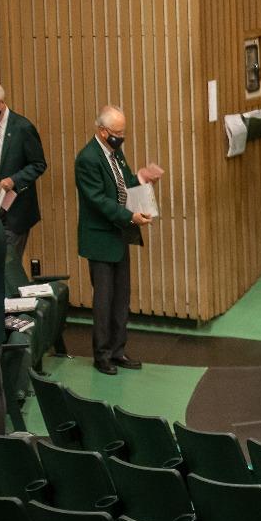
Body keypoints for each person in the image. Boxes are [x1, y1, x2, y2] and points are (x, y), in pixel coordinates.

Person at [74, 106, 158, 375]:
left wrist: (142, 178)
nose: (121, 137)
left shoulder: (115, 153)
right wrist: (131, 217)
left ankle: (118, 350)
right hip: (100, 239)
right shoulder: (87, 159)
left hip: (119, 235)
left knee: (122, 298)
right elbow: (98, 201)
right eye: (117, 133)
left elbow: (125, 184)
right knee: (104, 300)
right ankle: (102, 355)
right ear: (102, 131)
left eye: (123, 132)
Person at [0, 82, 47, 279]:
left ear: (0, 103)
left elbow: (39, 164)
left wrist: (14, 180)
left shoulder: (22, 127)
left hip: (14, 210)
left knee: (8, 269)